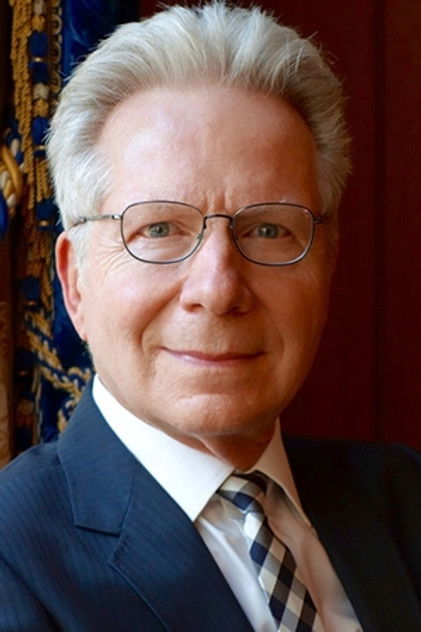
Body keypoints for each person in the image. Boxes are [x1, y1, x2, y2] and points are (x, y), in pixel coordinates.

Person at [0, 3, 419, 631]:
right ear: (76, 281)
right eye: (159, 228)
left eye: (269, 229)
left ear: (326, 267)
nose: (218, 290)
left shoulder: (404, 499)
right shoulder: (12, 558)